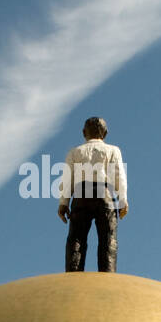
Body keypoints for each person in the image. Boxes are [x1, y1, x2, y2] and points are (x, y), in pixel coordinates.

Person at [57, 116, 128, 272]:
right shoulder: (113, 150)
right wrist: (122, 201)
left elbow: (67, 179)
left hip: (81, 195)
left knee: (76, 238)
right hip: (106, 195)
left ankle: (73, 274)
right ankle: (107, 274)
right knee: (108, 238)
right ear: (105, 133)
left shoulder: (74, 152)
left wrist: (64, 203)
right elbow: (119, 176)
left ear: (84, 132)